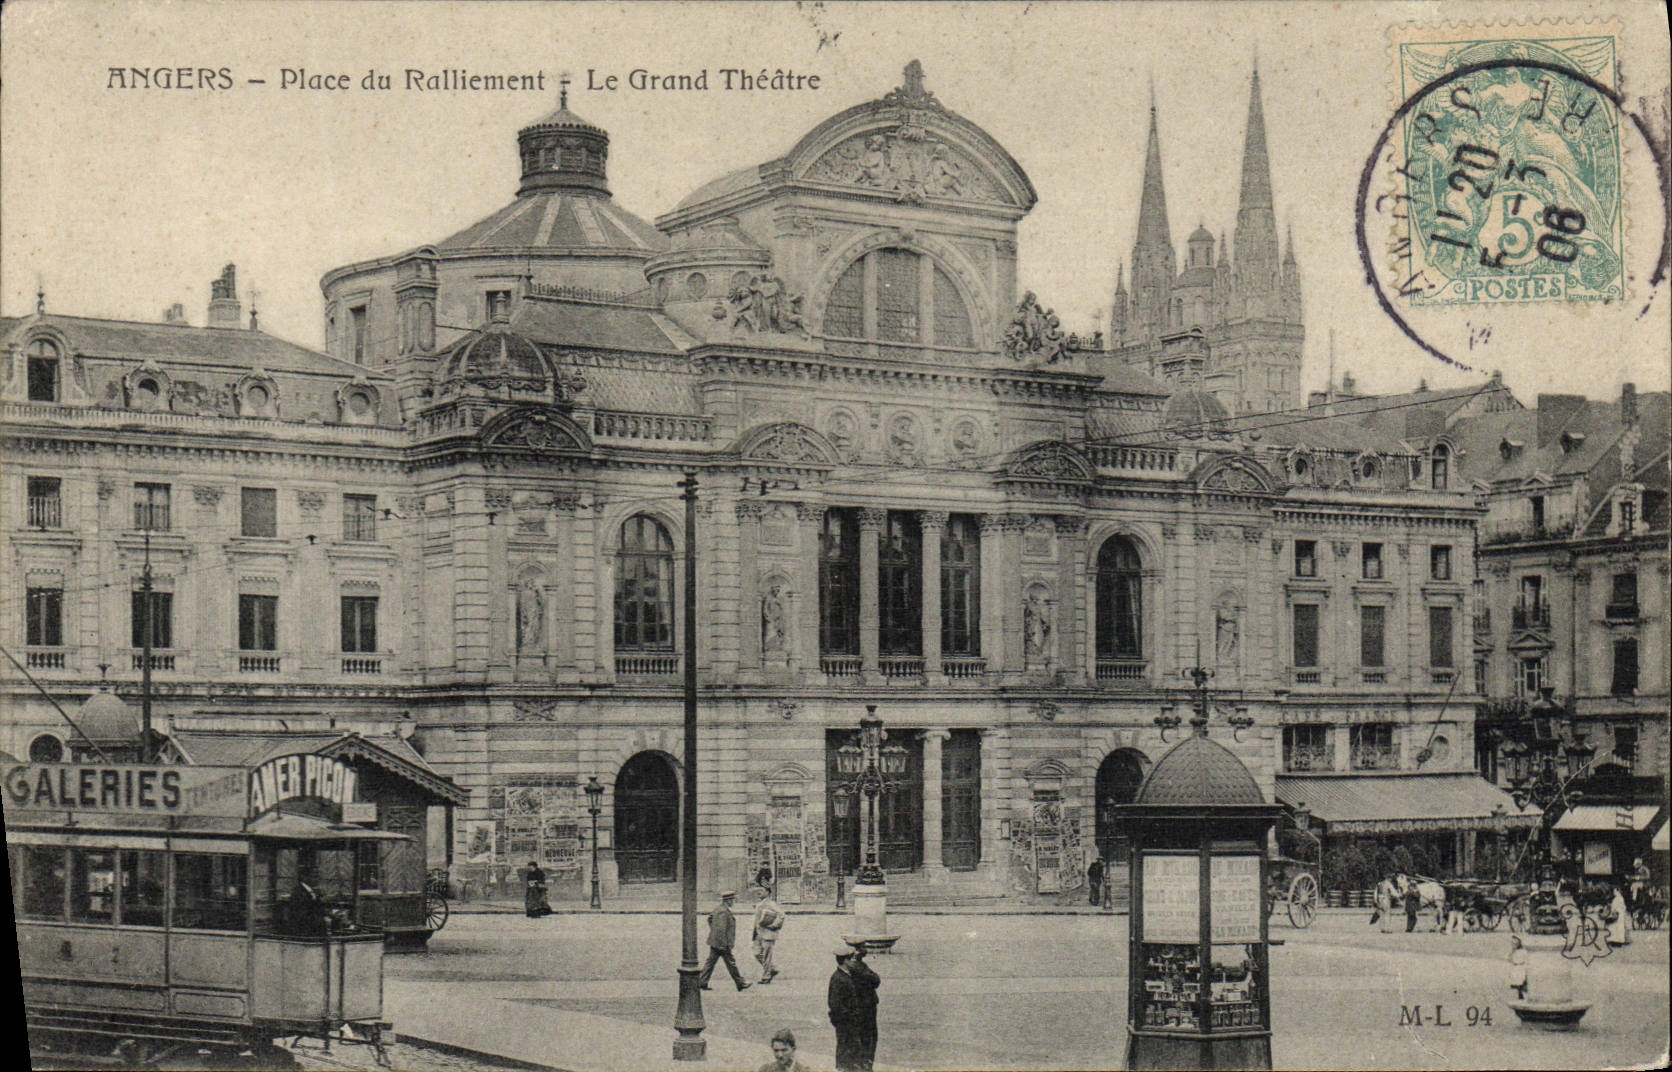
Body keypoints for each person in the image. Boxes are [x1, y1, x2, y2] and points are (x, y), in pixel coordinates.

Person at [828, 942, 881, 1072]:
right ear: (846, 960)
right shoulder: (841, 977)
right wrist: (849, 1017)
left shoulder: (847, 974)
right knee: (846, 1047)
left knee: (852, 1046)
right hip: (847, 1020)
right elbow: (835, 1004)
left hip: (851, 1020)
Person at [699, 891, 751, 992]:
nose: (733, 902)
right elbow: (721, 929)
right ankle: (740, 983)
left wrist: (713, 932)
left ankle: (702, 982)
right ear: (728, 900)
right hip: (722, 943)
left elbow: (710, 919)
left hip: (716, 942)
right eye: (732, 900)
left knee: (710, 963)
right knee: (731, 963)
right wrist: (722, 943)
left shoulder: (720, 909)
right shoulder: (723, 911)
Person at [752, 885, 785, 984]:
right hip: (759, 933)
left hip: (768, 933)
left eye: (761, 890)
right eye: (758, 890)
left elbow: (781, 915)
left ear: (768, 892)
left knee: (766, 956)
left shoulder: (771, 903)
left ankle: (766, 977)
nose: (759, 892)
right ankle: (772, 969)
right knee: (757, 953)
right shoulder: (760, 904)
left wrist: (774, 925)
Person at [1506, 935, 1528, 1000]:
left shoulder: (1523, 951)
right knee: (1516, 980)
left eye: (1515, 944)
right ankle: (1519, 993)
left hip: (1521, 968)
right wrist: (1512, 951)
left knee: (1520, 979)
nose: (1513, 945)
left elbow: (1525, 960)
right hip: (1515, 967)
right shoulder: (1514, 952)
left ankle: (1521, 992)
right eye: (1512, 944)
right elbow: (1509, 959)